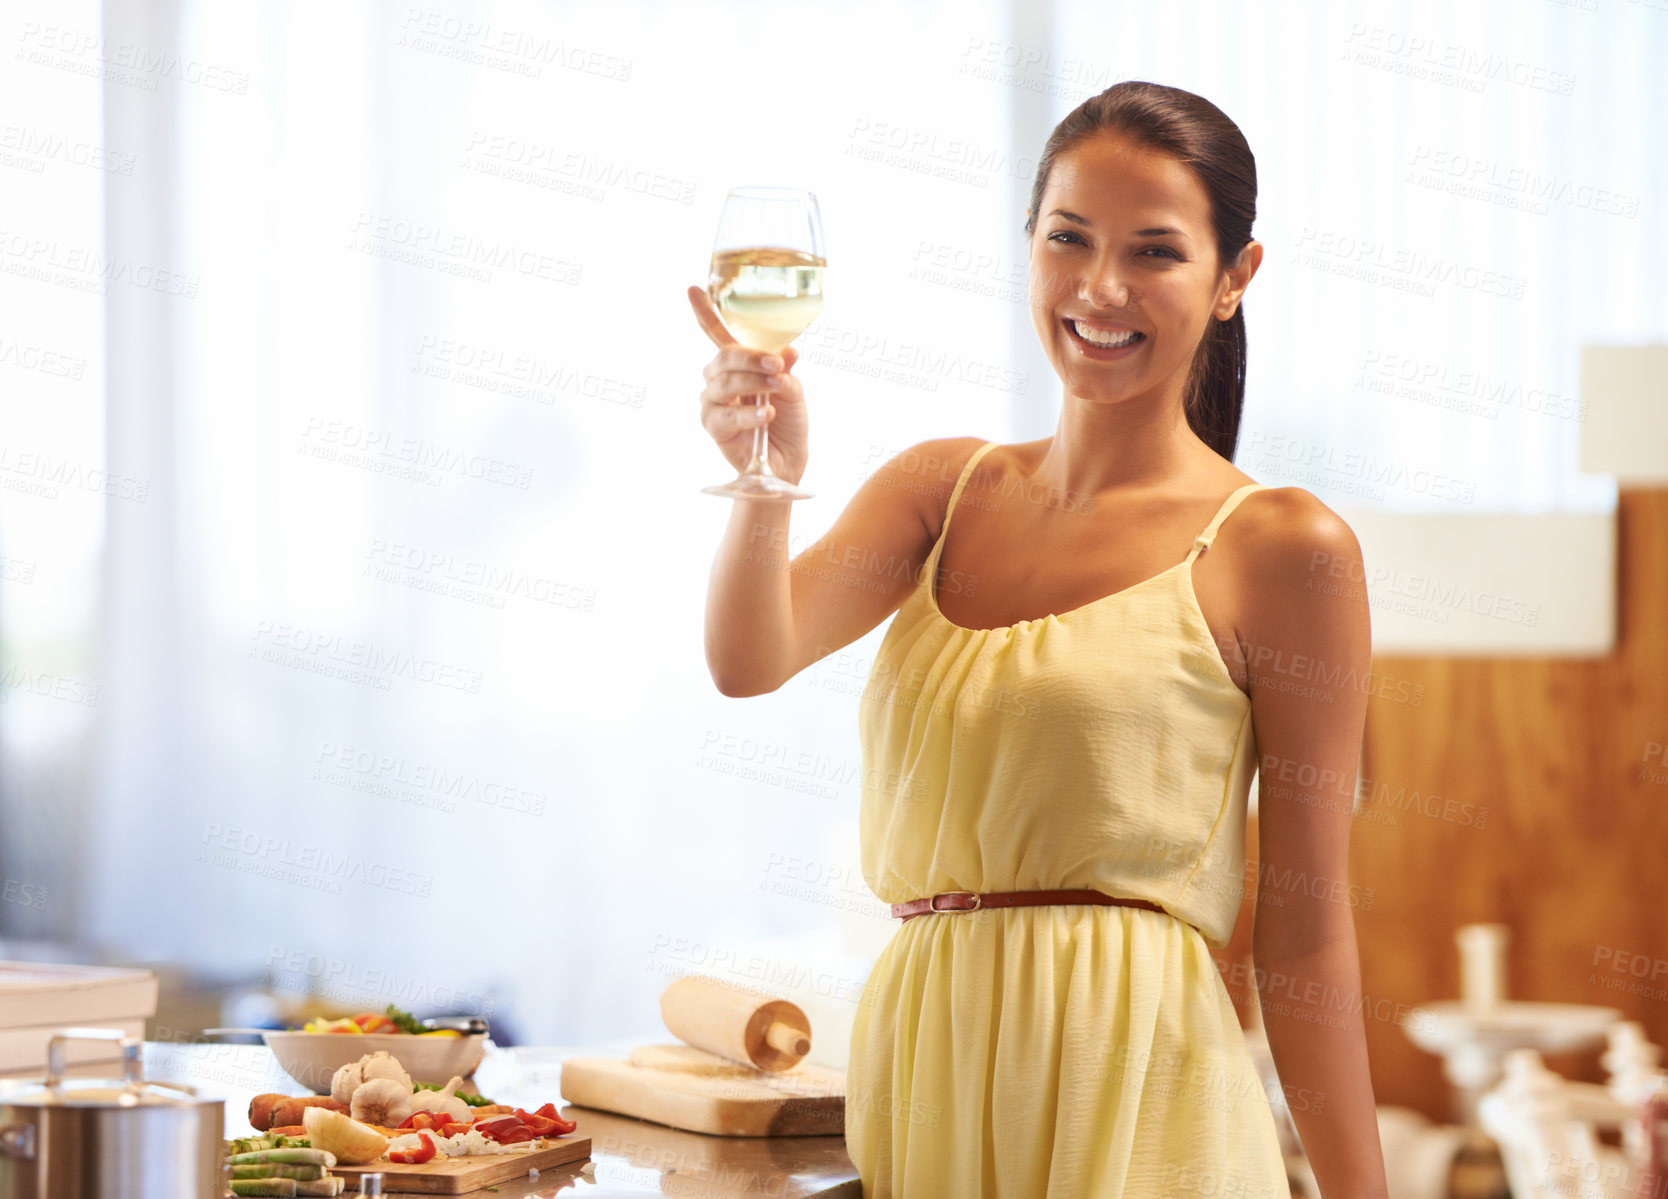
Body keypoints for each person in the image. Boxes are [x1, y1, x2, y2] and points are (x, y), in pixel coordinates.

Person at [692, 80, 1388, 1199]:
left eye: (1156, 252)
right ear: (1029, 248)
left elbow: (1306, 939)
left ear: (1232, 280)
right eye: (1069, 238)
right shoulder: (939, 489)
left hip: (1142, 1103)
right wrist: (762, 472)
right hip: (928, 1078)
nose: (1100, 287)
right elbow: (747, 659)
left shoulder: (1280, 546)